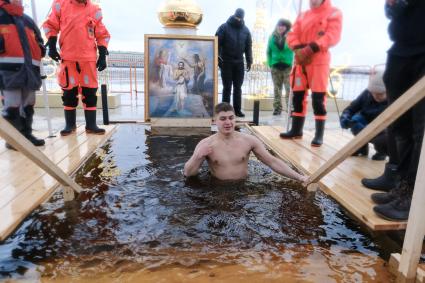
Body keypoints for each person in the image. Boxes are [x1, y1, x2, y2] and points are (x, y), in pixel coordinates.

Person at [371, 0, 425, 221]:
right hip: (402, 48)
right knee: (399, 122)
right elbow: (390, 11)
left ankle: (414, 194)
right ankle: (400, 183)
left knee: (421, 128)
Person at [184, 102, 308, 183]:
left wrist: (299, 177)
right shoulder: (206, 144)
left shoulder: (249, 141)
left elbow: (272, 161)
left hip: (243, 187)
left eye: (231, 118)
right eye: (223, 119)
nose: (228, 122)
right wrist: (197, 156)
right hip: (217, 189)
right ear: (214, 121)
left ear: (235, 118)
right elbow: (188, 173)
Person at [43, 0, 111, 136]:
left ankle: (91, 125)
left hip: (89, 59)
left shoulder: (94, 9)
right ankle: (70, 124)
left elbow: (102, 33)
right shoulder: (60, 4)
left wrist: (102, 54)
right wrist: (51, 46)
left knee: (90, 91)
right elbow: (50, 25)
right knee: (69, 92)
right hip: (68, 57)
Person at [280, 0, 342, 147]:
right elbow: (292, 35)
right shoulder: (302, 15)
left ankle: (318, 135)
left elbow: (332, 35)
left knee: (318, 99)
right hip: (301, 61)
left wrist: (311, 48)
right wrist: (298, 48)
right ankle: (296, 130)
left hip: (319, 61)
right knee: (298, 96)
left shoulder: (334, 12)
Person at [0, 0, 45, 150]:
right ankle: (13, 140)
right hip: (7, 72)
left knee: (28, 104)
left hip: (30, 71)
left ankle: (26, 135)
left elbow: (39, 41)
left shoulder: (28, 21)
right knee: (11, 106)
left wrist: (41, 48)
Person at [340, 69, 388, 160]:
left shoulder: (394, 100)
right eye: (373, 93)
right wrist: (345, 117)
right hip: (366, 122)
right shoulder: (366, 93)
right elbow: (351, 108)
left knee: (382, 139)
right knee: (355, 119)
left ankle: (382, 151)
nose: (376, 96)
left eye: (380, 94)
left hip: (382, 129)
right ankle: (362, 147)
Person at [215, 8, 253, 118]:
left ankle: (237, 110)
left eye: (240, 18)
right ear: (234, 15)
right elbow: (217, 42)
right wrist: (217, 57)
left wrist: (249, 60)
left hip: (239, 63)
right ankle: (225, 110)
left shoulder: (246, 30)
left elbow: (248, 47)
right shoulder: (224, 27)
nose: (238, 19)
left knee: (238, 87)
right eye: (237, 17)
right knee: (227, 87)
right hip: (226, 62)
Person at [267, 18, 294, 116]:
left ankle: (290, 109)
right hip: (275, 67)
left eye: (283, 26)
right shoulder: (271, 37)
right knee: (277, 89)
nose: (280, 27)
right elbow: (268, 52)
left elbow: (295, 49)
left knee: (289, 89)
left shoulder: (291, 37)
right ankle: (277, 109)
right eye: (279, 25)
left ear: (286, 27)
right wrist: (270, 64)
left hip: (287, 67)